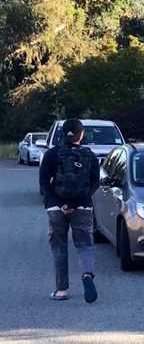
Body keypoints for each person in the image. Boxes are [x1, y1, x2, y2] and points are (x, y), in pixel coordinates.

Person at [39, 119, 100, 303]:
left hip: (56, 208)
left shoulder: (51, 154)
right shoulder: (89, 155)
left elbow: (43, 183)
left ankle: (61, 290)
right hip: (82, 206)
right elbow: (94, 182)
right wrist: (76, 203)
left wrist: (61, 203)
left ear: (62, 134)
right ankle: (87, 275)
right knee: (84, 245)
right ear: (81, 134)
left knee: (59, 246)